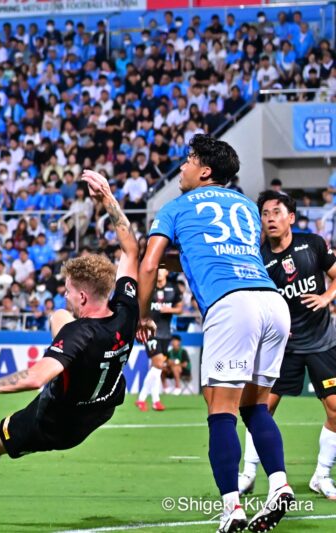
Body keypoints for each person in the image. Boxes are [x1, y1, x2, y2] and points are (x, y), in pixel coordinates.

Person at [0, 170, 139, 500]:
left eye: (69, 291)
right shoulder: (126, 309)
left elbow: (35, 378)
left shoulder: (80, 333)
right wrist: (108, 200)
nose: (66, 295)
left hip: (58, 420)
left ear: (84, 298)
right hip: (103, 405)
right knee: (58, 316)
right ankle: (72, 368)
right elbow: (131, 250)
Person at [139, 135, 293, 533]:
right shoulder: (245, 205)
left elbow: (149, 264)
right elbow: (230, 248)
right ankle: (279, 484)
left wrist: (142, 315)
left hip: (231, 305)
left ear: (205, 170)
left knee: (220, 411)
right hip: (272, 303)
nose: (182, 167)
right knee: (255, 406)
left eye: (189, 160)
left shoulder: (174, 207)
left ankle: (232, 507)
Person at [238, 190, 336, 500]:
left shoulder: (314, 245)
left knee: (335, 409)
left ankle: (321, 475)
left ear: (290, 217)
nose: (270, 218)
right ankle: (249, 474)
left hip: (321, 342)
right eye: (265, 214)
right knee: (259, 409)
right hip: (282, 347)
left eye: (276, 212)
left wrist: (325, 297)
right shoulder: (257, 258)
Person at [136, 268, 183, 411]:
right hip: (151, 332)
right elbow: (139, 306)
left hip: (165, 333)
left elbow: (179, 309)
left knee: (157, 369)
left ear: (167, 273)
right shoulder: (148, 287)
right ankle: (142, 399)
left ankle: (155, 401)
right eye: (159, 269)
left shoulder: (173, 288)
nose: (160, 272)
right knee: (157, 365)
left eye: (163, 269)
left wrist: (170, 310)